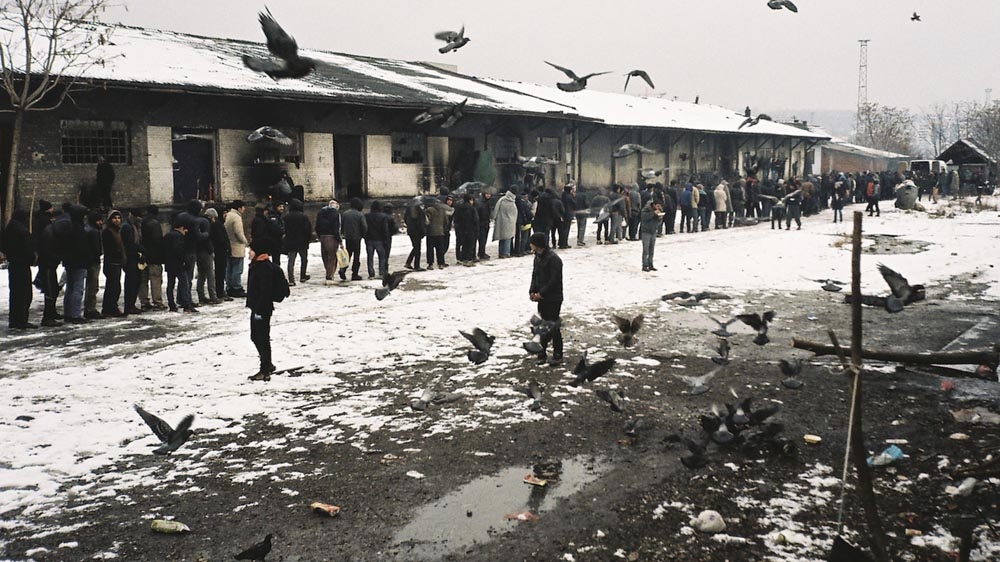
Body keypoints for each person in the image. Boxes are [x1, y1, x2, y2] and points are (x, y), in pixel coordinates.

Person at [247, 237, 290, 381]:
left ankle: (265, 369)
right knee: (257, 337)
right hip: (258, 307)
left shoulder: (263, 268)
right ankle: (267, 364)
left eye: (251, 251)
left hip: (262, 309)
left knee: (261, 338)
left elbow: (265, 291)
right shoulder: (257, 265)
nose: (249, 253)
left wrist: (259, 310)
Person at [528, 232, 563, 366]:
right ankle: (541, 352)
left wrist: (541, 293)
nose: (530, 245)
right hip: (542, 297)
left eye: (532, 243)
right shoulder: (537, 257)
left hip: (553, 298)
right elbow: (535, 275)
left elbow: (554, 280)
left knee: (553, 326)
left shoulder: (554, 259)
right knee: (541, 326)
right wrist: (532, 291)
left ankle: (557, 354)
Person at [3, 209, 37, 330]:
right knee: (24, 293)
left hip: (13, 264)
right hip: (22, 265)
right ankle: (22, 319)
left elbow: (3, 245)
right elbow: (28, 249)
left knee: (15, 293)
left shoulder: (9, 228)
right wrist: (32, 259)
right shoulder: (22, 231)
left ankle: (15, 319)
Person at [164, 219, 195, 313]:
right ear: (181, 228)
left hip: (169, 264)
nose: (186, 232)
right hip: (179, 264)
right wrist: (184, 261)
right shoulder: (179, 237)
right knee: (184, 284)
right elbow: (179, 250)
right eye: (185, 230)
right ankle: (187, 305)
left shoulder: (168, 235)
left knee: (170, 285)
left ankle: (171, 304)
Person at [140, 205, 167, 310]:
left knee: (143, 280)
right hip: (154, 256)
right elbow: (157, 240)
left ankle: (144, 302)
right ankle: (157, 301)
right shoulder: (155, 224)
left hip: (143, 255)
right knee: (155, 279)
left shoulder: (142, 222)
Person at [101, 209, 125, 317]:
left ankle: (110, 307)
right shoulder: (108, 231)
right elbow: (109, 248)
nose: (117, 220)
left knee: (115, 286)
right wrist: (117, 253)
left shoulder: (118, 230)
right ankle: (110, 307)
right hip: (111, 262)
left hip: (117, 262)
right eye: (115, 218)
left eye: (118, 218)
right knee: (112, 286)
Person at [120, 208, 144, 315]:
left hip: (135, 257)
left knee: (135, 282)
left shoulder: (133, 226)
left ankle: (131, 305)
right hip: (130, 258)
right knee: (131, 283)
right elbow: (129, 244)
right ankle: (129, 306)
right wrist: (141, 250)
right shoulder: (127, 227)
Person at [282, 199, 312, 286]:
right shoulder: (303, 217)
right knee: (304, 259)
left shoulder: (286, 217)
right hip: (302, 242)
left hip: (290, 241)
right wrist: (308, 239)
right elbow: (307, 230)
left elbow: (283, 229)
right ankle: (303, 275)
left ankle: (291, 279)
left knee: (291, 261)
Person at [315, 199, 344, 281]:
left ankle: (328, 272)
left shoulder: (321, 212)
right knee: (332, 257)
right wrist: (340, 240)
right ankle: (330, 275)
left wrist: (319, 236)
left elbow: (317, 226)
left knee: (325, 256)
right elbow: (336, 229)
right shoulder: (336, 214)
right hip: (332, 237)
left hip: (322, 237)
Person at [83, 211, 105, 319]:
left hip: (88, 261)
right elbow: (97, 249)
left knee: (90, 285)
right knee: (92, 286)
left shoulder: (86, 229)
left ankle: (89, 308)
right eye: (99, 220)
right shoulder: (93, 232)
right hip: (93, 262)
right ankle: (90, 309)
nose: (101, 222)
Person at [225, 200, 248, 297]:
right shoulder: (237, 217)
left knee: (229, 268)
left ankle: (229, 287)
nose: (244, 209)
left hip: (229, 245)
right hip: (237, 246)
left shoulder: (228, 215)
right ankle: (236, 287)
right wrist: (245, 241)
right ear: (239, 208)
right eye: (243, 207)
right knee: (237, 269)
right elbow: (239, 233)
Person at [208, 206, 232, 301]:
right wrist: (226, 246)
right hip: (220, 251)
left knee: (220, 272)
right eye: (225, 213)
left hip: (220, 250)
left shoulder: (217, 224)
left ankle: (220, 291)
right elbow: (220, 238)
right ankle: (220, 291)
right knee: (220, 272)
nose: (226, 215)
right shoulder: (217, 225)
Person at [341, 197, 367, 280]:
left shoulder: (345, 214)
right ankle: (354, 274)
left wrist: (343, 233)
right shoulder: (360, 214)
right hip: (357, 237)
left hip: (348, 237)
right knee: (356, 256)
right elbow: (364, 226)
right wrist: (364, 235)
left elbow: (342, 225)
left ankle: (343, 269)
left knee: (348, 254)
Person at [364, 200, 392, 277]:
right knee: (382, 257)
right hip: (379, 240)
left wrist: (365, 237)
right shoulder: (383, 216)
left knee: (370, 257)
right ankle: (381, 272)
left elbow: (364, 228)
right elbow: (385, 229)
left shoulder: (366, 216)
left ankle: (371, 272)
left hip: (369, 239)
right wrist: (386, 239)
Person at [453, 193, 479, 266]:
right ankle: (468, 259)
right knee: (470, 245)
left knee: (463, 244)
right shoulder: (472, 208)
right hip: (471, 229)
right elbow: (475, 220)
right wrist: (477, 230)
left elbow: (456, 219)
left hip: (461, 229)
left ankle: (462, 258)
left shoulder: (459, 207)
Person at [491, 188, 518, 258]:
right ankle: (506, 253)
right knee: (507, 238)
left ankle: (501, 252)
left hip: (501, 222)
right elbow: (514, 213)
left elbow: (496, 210)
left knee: (502, 237)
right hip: (510, 222)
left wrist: (494, 217)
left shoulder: (502, 200)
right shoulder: (512, 201)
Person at [639, 200, 664, 272]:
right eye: (658, 206)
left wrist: (659, 218)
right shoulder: (645, 210)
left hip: (653, 232)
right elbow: (644, 218)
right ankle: (644, 265)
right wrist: (653, 213)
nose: (659, 208)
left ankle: (650, 264)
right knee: (645, 250)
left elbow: (658, 223)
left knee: (651, 250)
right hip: (646, 232)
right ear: (654, 205)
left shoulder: (658, 211)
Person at [402, 197, 426, 270]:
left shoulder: (408, 211)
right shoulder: (420, 212)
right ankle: (416, 265)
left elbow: (405, 219)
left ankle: (408, 262)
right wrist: (423, 232)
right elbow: (421, 224)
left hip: (411, 232)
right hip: (418, 232)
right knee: (417, 248)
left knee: (415, 247)